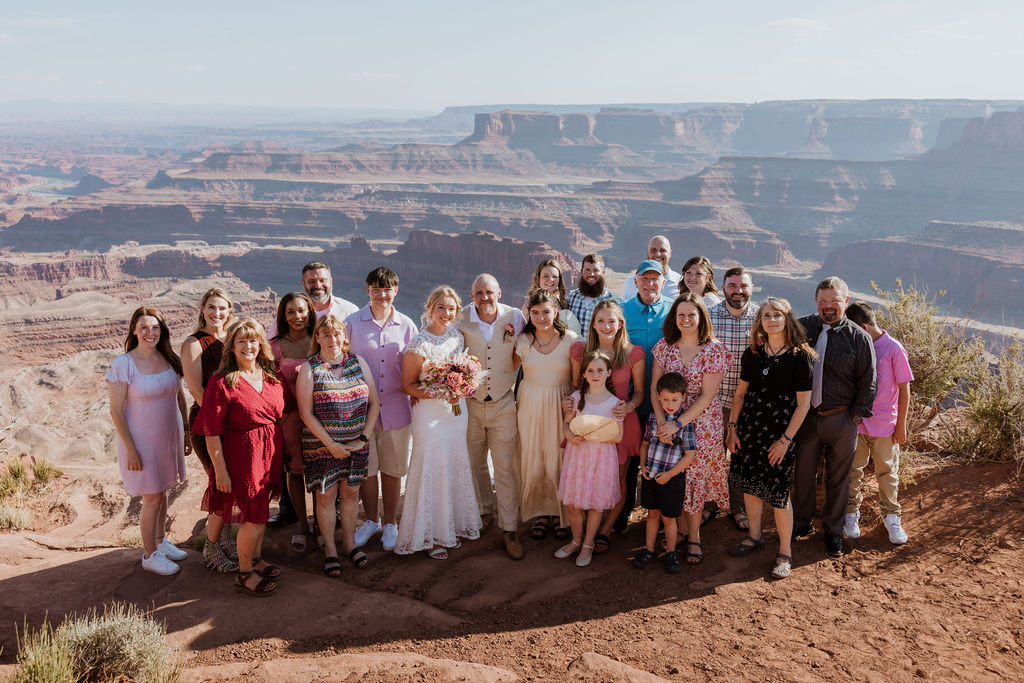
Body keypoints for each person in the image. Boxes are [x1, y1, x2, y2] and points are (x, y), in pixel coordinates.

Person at [194, 319, 295, 596]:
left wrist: (267, 430)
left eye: (253, 340)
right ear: (232, 347)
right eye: (241, 341)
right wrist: (221, 472)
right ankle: (244, 573)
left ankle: (256, 560)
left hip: (269, 454)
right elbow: (211, 432)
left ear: (261, 344)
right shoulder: (222, 382)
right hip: (242, 456)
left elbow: (285, 409)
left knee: (261, 507)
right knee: (255, 517)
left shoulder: (272, 376)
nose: (248, 346)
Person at [726, 298, 814, 580]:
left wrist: (786, 440)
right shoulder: (752, 354)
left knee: (778, 494)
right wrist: (732, 428)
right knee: (750, 485)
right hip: (749, 430)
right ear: (760, 321)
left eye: (777, 315)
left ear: (788, 319)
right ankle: (754, 537)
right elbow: (740, 395)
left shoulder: (801, 357)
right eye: (766, 315)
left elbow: (803, 405)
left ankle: (785, 552)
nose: (771, 320)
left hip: (780, 435)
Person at [395, 286, 482, 559]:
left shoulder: (458, 337)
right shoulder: (419, 343)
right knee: (432, 467)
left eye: (451, 309)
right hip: (429, 417)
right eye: (441, 308)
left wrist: (463, 387)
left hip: (456, 414)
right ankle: (430, 536)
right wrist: (440, 391)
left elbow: (470, 371)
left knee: (454, 463)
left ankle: (451, 528)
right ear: (430, 308)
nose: (446, 313)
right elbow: (408, 386)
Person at [794, 277, 877, 559]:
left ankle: (833, 532)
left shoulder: (859, 337)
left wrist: (854, 419)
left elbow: (869, 381)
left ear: (846, 301)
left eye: (834, 301)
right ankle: (801, 524)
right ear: (816, 301)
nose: (828, 307)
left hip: (841, 420)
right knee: (803, 474)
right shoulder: (802, 328)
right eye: (823, 301)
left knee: (838, 479)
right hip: (806, 418)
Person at [107, 307, 191, 576]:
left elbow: (179, 398)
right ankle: (149, 554)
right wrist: (131, 449)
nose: (149, 333)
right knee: (152, 497)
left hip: (169, 436)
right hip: (141, 442)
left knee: (164, 489)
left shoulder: (169, 358)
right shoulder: (124, 363)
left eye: (155, 328)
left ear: (161, 331)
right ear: (134, 330)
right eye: (143, 328)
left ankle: (160, 541)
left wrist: (187, 431)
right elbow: (116, 411)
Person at [651, 292, 732, 565]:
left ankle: (694, 536)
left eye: (691, 314)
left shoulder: (714, 350)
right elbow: (654, 387)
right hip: (667, 420)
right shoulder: (665, 346)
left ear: (701, 318)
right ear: (674, 317)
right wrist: (663, 421)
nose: (686, 319)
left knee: (694, 478)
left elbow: (708, 394)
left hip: (702, 424)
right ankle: (680, 529)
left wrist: (678, 424)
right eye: (681, 314)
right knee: (675, 477)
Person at [296, 315, 379, 576]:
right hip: (322, 446)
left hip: (356, 446)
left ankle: (350, 544)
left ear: (344, 336)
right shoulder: (310, 368)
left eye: (337, 333)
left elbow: (374, 403)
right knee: (326, 497)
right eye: (327, 334)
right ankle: (330, 548)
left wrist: (363, 437)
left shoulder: (358, 362)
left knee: (352, 494)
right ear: (318, 338)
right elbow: (305, 413)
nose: (333, 339)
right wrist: (330, 444)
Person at [346, 267, 418, 553]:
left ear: (396, 290)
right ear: (368, 290)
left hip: (397, 410)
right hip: (361, 412)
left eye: (387, 289)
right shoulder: (352, 323)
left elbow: (416, 365)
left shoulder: (407, 325)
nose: (382, 294)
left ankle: (390, 523)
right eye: (376, 289)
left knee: (393, 469)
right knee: (367, 470)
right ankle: (371, 521)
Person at [566, 299, 644, 554]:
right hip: (588, 420)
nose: (606, 325)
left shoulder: (633, 353)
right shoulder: (580, 349)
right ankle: (583, 531)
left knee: (616, 479)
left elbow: (640, 392)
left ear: (620, 323)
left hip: (621, 422)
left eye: (611, 320)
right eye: (601, 320)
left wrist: (629, 407)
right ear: (593, 324)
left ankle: (605, 530)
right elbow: (575, 385)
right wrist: (569, 405)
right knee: (587, 473)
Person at [459, 273, 527, 559]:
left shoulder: (515, 317)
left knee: (505, 468)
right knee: (474, 465)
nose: (484, 298)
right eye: (479, 293)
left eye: (489, 292)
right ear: (472, 295)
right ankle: (484, 512)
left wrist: (506, 377)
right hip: (471, 404)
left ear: (499, 292)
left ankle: (509, 528)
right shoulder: (459, 317)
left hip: (503, 402)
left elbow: (521, 351)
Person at [843, 301, 912, 545]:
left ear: (864, 326)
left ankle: (892, 518)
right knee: (853, 470)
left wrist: (901, 426)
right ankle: (851, 514)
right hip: (857, 423)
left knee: (887, 472)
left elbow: (905, 390)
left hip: (885, 426)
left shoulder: (893, 348)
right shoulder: (859, 346)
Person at [180, 288, 239, 573]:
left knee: (232, 484)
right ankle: (212, 548)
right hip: (207, 423)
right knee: (220, 482)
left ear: (230, 310)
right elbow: (195, 388)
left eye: (223, 308)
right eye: (212, 308)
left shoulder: (231, 339)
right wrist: (219, 418)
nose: (217, 313)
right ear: (203, 309)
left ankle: (226, 539)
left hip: (234, 422)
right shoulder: (194, 343)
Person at [515, 289, 579, 541]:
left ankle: (560, 513)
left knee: (558, 455)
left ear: (556, 312)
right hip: (529, 402)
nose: (541, 317)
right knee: (533, 454)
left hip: (559, 403)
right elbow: (507, 370)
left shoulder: (571, 339)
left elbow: (576, 381)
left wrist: (570, 408)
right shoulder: (521, 340)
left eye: (546, 312)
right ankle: (540, 512)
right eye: (535, 312)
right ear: (528, 314)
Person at [619, 259, 672, 533]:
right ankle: (623, 512)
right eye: (645, 278)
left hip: (665, 403)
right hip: (630, 400)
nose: (650, 283)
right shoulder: (623, 311)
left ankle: (660, 518)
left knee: (662, 458)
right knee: (628, 460)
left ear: (664, 282)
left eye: (656, 279)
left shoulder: (673, 312)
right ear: (636, 281)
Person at [556, 351, 623, 567]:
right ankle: (575, 540)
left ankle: (588, 544)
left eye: (600, 370)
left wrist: (598, 434)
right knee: (573, 504)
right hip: (578, 456)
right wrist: (569, 436)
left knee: (595, 504)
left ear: (609, 373)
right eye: (591, 370)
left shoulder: (615, 403)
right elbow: (566, 425)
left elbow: (618, 435)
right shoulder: (577, 399)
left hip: (601, 457)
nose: (595, 374)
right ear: (584, 374)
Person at [708, 266, 758, 531]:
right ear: (723, 288)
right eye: (732, 285)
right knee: (712, 455)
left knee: (741, 456)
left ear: (751, 288)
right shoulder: (710, 316)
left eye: (743, 286)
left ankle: (737, 506)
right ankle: (709, 505)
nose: (738, 291)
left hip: (747, 403)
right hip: (713, 401)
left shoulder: (762, 317)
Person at [633, 372, 697, 574]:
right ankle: (649, 550)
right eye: (666, 399)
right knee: (652, 514)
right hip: (651, 475)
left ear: (683, 398)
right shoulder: (653, 419)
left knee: (669, 518)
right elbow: (645, 444)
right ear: (658, 397)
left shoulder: (685, 424)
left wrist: (670, 474)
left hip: (672, 478)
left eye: (675, 399)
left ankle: (671, 552)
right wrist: (643, 465)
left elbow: (690, 454)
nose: (670, 404)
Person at [268, 291, 316, 553]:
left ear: (309, 311)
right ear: (283, 316)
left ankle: (321, 523)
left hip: (320, 417)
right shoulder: (274, 346)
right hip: (288, 419)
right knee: (294, 472)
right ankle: (301, 524)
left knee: (320, 471)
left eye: (301, 310)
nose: (297, 316)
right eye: (290, 312)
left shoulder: (319, 340)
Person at [265, 261, 358, 340]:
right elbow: (270, 345)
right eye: (312, 281)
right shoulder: (290, 313)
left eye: (322, 280)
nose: (318, 285)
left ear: (331, 281)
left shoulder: (349, 311)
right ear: (303, 283)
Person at [525, 258, 582, 334]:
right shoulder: (530, 303)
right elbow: (523, 332)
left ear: (559, 280)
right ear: (538, 278)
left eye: (555, 277)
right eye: (546, 276)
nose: (551, 279)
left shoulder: (563, 302)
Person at [566, 254, 618, 335]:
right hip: (573, 347)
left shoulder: (613, 301)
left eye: (595, 270)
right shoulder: (572, 297)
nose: (591, 274)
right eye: (587, 270)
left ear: (603, 273)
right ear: (581, 271)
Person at [621, 235, 680, 302]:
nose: (658, 254)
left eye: (662, 250)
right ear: (647, 252)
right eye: (653, 250)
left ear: (670, 253)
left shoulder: (680, 283)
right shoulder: (630, 283)